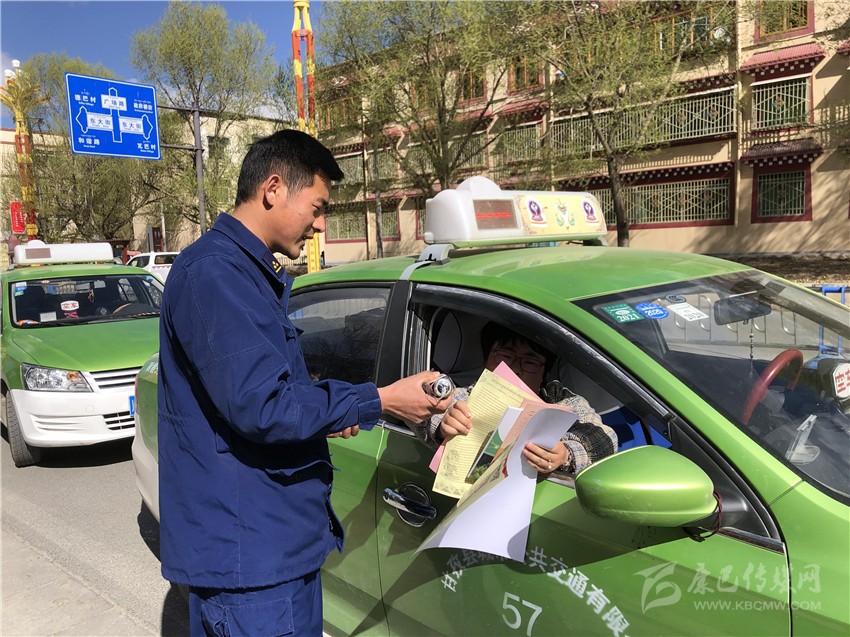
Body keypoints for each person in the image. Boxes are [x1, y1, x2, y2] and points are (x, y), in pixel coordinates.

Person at [157, 129, 452, 637]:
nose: (320, 226)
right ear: (273, 189)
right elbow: (263, 406)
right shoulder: (217, 275)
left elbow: (265, 391)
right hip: (252, 562)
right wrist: (380, 401)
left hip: (267, 549)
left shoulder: (242, 272)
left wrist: (328, 414)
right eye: (317, 208)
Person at [416, 322, 618, 475]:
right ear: (487, 360)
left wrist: (566, 454)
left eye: (530, 362)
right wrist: (443, 426)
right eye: (505, 356)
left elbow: (606, 439)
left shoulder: (560, 401)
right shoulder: (464, 396)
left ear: (544, 372)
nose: (515, 368)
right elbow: (424, 413)